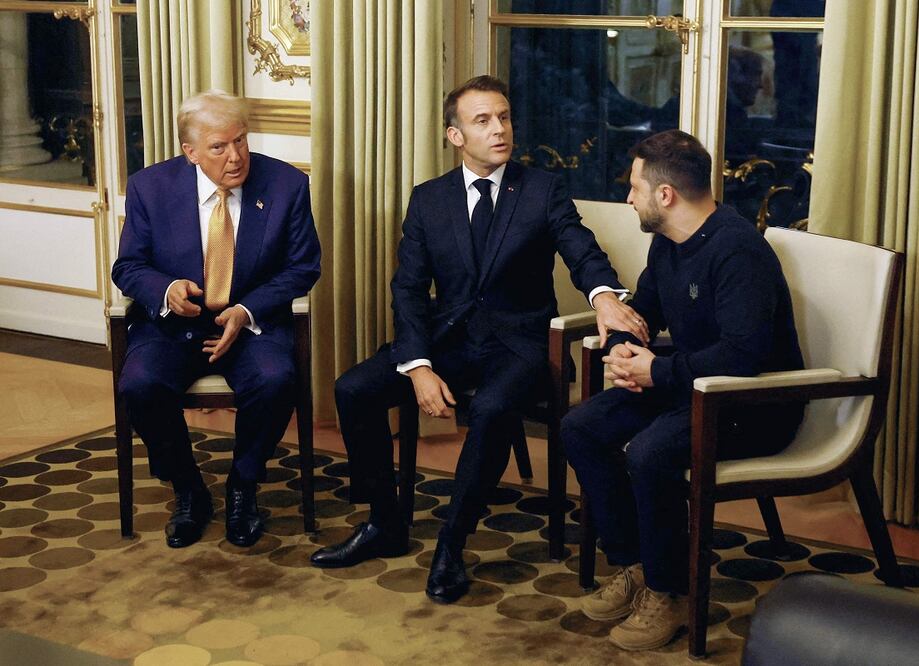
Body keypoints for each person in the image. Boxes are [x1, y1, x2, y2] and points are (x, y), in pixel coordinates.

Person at [309, 75, 648, 604]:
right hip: (448, 342)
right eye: (483, 121)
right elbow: (409, 289)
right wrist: (418, 364)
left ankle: (452, 542)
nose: (500, 130)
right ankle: (384, 524)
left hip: (521, 347)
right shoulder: (428, 200)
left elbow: (579, 246)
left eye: (505, 117)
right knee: (353, 389)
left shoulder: (542, 189)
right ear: (455, 135)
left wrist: (603, 294)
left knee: (491, 408)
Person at [561, 130, 804, 651]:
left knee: (649, 453)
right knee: (580, 426)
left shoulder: (739, 250)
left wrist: (657, 373)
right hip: (692, 386)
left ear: (665, 195)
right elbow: (643, 312)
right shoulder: (669, 242)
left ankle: (669, 594)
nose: (629, 197)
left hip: (756, 403)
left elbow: (743, 356)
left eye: (634, 187)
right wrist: (624, 348)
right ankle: (636, 566)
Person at [112, 90, 321, 549]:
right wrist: (166, 290)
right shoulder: (151, 187)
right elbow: (127, 267)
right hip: (175, 326)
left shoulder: (287, 185)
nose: (236, 157)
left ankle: (243, 486)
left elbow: (304, 267)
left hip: (250, 325)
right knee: (140, 385)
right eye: (219, 147)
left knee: (274, 379)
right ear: (190, 152)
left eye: (242, 141)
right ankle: (188, 489)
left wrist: (246, 310)